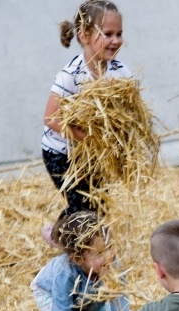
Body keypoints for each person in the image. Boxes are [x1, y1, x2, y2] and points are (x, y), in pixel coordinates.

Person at [40, 1, 130, 246]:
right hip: (62, 152)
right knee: (82, 204)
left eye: (119, 34)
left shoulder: (120, 72)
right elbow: (50, 117)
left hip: (94, 154)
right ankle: (67, 241)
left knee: (98, 200)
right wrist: (87, 138)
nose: (116, 40)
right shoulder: (71, 74)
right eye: (108, 34)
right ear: (85, 36)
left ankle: (72, 234)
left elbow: (130, 111)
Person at [30, 210, 129, 311]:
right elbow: (61, 310)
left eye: (110, 246)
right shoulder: (65, 273)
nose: (109, 255)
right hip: (50, 293)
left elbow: (120, 306)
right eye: (100, 252)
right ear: (78, 258)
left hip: (87, 300)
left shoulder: (114, 266)